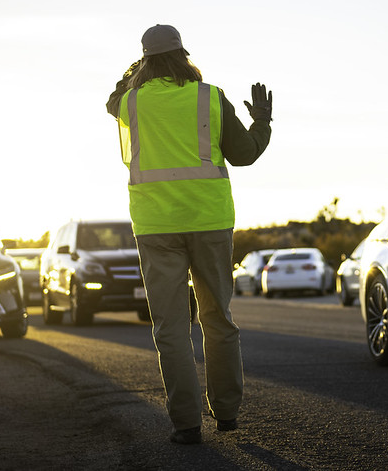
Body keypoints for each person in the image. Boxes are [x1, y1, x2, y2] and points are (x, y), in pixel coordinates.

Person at [106, 24, 273, 445]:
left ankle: (186, 424)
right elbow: (245, 155)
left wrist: (135, 69)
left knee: (171, 329)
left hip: (157, 226)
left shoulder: (131, 102)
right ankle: (228, 413)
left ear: (145, 59)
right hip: (210, 220)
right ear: (184, 55)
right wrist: (263, 123)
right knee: (217, 319)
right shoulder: (210, 97)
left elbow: (112, 99)